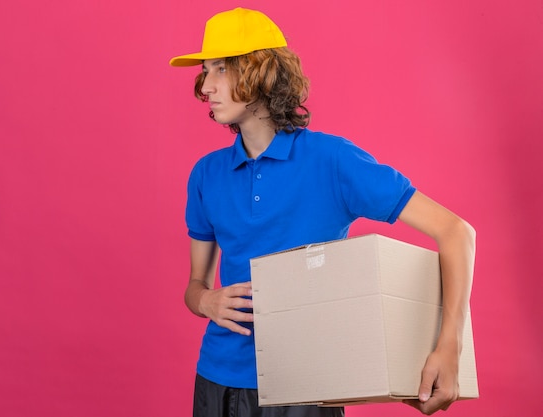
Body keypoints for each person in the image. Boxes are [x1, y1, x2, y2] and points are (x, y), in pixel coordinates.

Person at [169, 7, 475, 417]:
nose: (206, 86)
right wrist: (206, 302)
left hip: (309, 385)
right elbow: (195, 285)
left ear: (261, 73)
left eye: (220, 69)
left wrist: (448, 346)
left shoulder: (332, 161)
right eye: (205, 71)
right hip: (218, 382)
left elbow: (456, 233)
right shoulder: (206, 174)